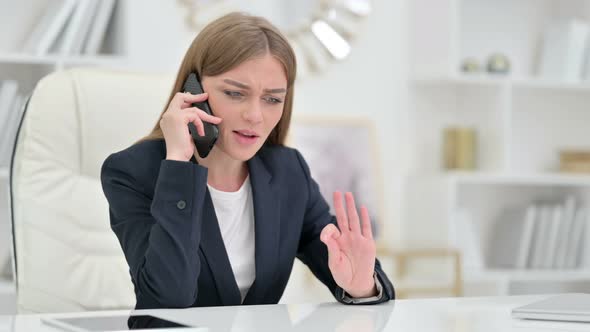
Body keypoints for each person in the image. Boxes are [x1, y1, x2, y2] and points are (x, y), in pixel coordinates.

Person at [100, 12, 394, 310]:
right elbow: (167, 298)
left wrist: (361, 286)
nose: (255, 116)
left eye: (272, 99)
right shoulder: (133, 172)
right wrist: (177, 163)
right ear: (193, 92)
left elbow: (350, 267)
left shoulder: (287, 171)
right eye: (235, 93)